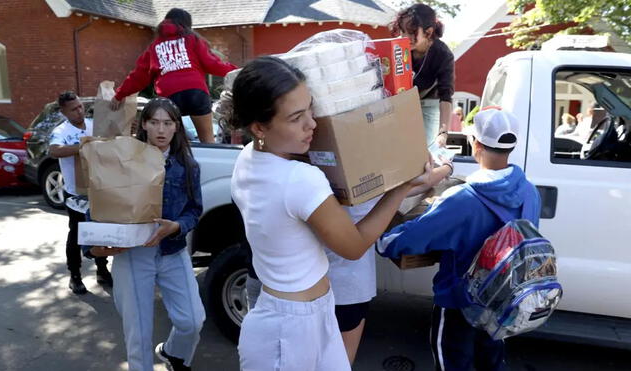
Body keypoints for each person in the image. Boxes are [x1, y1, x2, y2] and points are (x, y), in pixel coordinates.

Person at [227, 56, 450, 370]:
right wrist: (400, 188)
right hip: (290, 330)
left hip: (294, 314)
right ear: (259, 126)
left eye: (310, 109)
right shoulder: (299, 179)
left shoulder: (248, 159)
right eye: (295, 118)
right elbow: (354, 246)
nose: (312, 124)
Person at [376, 108, 541, 371]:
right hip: (501, 302)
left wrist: (383, 237)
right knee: (491, 363)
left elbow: (398, 242)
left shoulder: (463, 199)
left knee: (453, 364)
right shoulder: (530, 192)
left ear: (476, 144)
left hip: (459, 304)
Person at [83, 98, 205, 371]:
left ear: (176, 127)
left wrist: (176, 226)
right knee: (138, 335)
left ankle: (173, 353)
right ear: (144, 125)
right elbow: (101, 203)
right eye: (154, 122)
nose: (161, 129)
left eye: (167, 123)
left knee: (192, 321)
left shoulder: (187, 165)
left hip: (172, 251)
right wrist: (94, 247)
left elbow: (194, 210)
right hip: (133, 254)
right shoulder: (123, 160)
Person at [111, 8, 237, 143]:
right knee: (207, 141)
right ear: (187, 25)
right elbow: (212, 64)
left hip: (170, 95)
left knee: (172, 143)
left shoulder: (155, 46)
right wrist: (237, 72)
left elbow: (139, 76)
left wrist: (119, 94)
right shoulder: (192, 39)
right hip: (196, 92)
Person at [49, 91, 112, 295]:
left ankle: (102, 270)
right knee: (76, 234)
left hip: (99, 189)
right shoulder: (61, 130)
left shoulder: (93, 124)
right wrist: (82, 146)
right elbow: (54, 150)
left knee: (101, 231)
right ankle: (75, 276)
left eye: (80, 106)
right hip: (75, 193)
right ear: (63, 112)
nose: (79, 111)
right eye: (74, 109)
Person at [391, 3, 455, 148]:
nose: (405, 37)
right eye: (402, 31)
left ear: (428, 32)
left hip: (428, 103)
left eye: (411, 32)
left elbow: (446, 97)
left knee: (422, 148)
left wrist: (443, 133)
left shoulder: (443, 55)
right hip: (402, 101)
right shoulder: (397, 48)